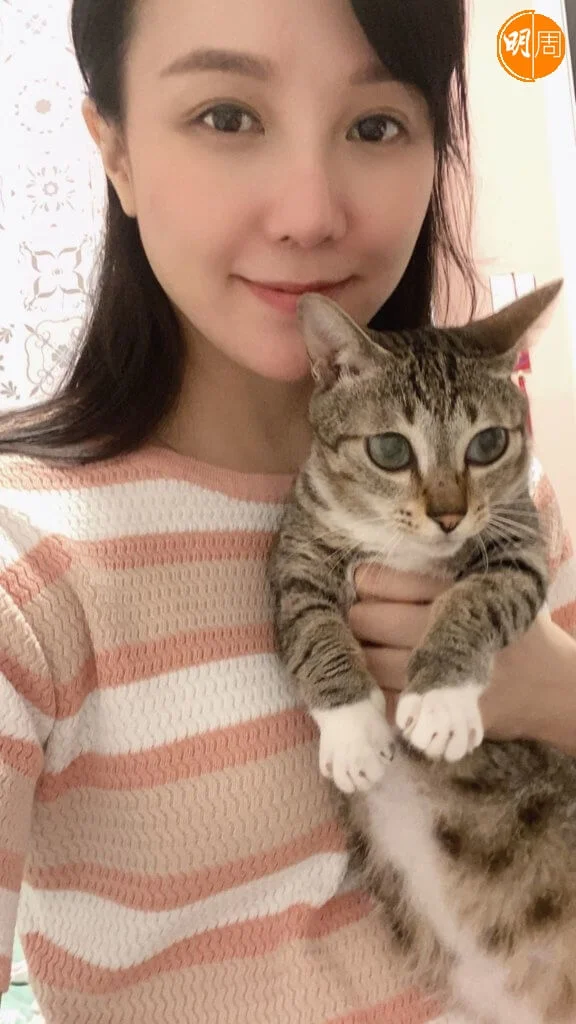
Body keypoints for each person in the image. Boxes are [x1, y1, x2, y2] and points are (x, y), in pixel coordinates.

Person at [0, 0, 575, 1020]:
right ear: (114, 149)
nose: (311, 213)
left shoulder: (501, 495)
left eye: (375, 124)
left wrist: (555, 694)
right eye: (226, 115)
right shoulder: (26, 567)